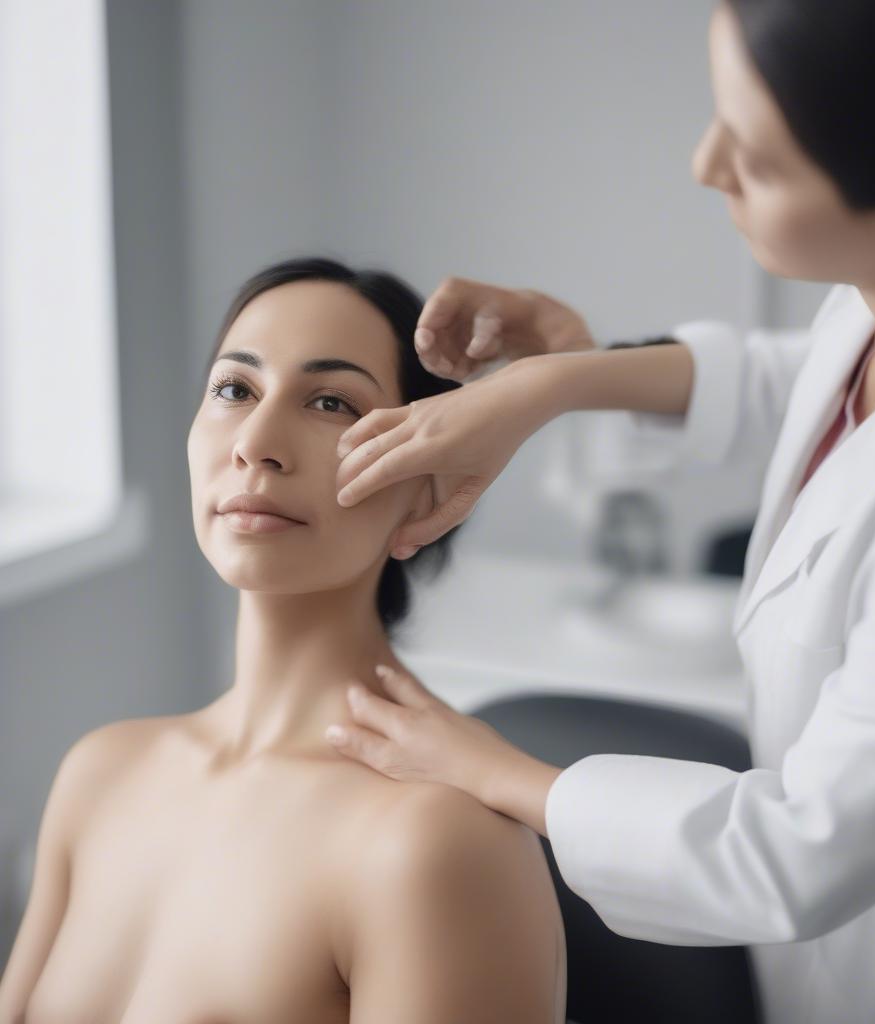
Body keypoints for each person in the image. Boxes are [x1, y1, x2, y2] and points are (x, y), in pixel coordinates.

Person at [318, 2, 875, 1022]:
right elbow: (789, 382)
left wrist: (500, 775)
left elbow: (800, 849)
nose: (703, 164)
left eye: (757, 158)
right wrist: (559, 378)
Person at [0, 258, 567, 1024]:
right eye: (235, 390)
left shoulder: (438, 842)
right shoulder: (98, 775)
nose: (257, 443)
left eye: (331, 402)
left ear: (433, 482)